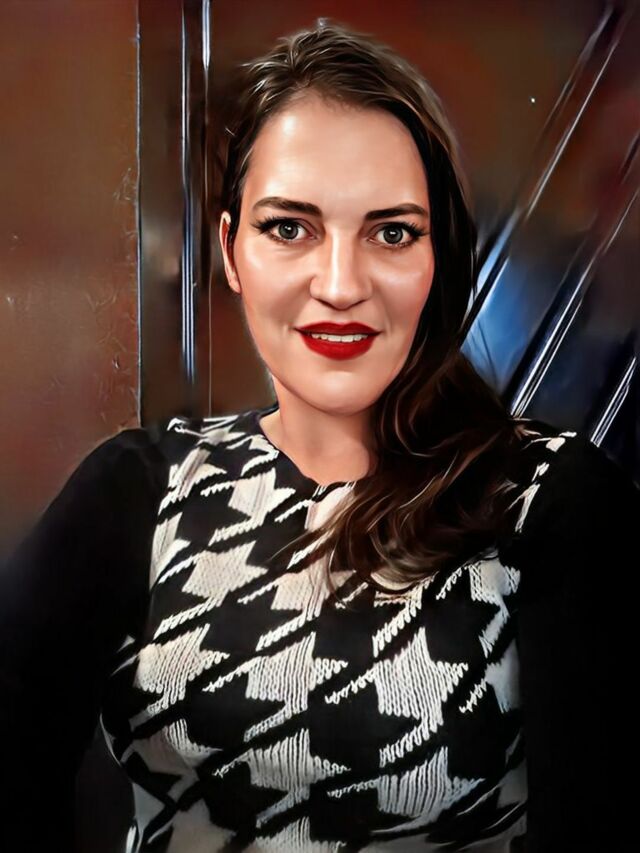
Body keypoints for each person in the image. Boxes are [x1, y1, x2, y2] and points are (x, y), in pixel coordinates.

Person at [1, 17, 638, 853]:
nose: (340, 284)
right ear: (231, 250)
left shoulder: (550, 500)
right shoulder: (140, 488)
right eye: (289, 227)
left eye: (392, 231)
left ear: (439, 258)